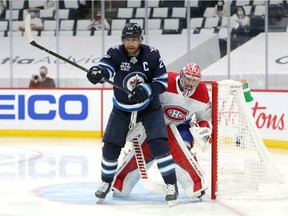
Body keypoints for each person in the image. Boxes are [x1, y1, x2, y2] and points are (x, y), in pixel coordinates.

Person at [86, 23, 178, 206]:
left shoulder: (152, 54)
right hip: (122, 107)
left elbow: (162, 82)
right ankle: (106, 181)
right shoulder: (115, 52)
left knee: (159, 144)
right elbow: (107, 68)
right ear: (123, 40)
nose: (130, 43)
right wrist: (98, 73)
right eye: (127, 39)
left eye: (134, 39)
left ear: (140, 40)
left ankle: (171, 184)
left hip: (148, 107)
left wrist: (147, 89)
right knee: (110, 147)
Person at [112, 63, 212, 199]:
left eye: (194, 80)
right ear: (182, 75)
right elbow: (146, 101)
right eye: (188, 78)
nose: (191, 83)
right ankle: (122, 181)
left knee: (183, 150)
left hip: (181, 127)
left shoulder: (202, 92)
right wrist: (136, 119)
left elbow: (204, 118)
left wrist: (204, 129)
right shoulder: (167, 80)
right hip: (154, 125)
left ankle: (192, 184)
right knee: (121, 190)